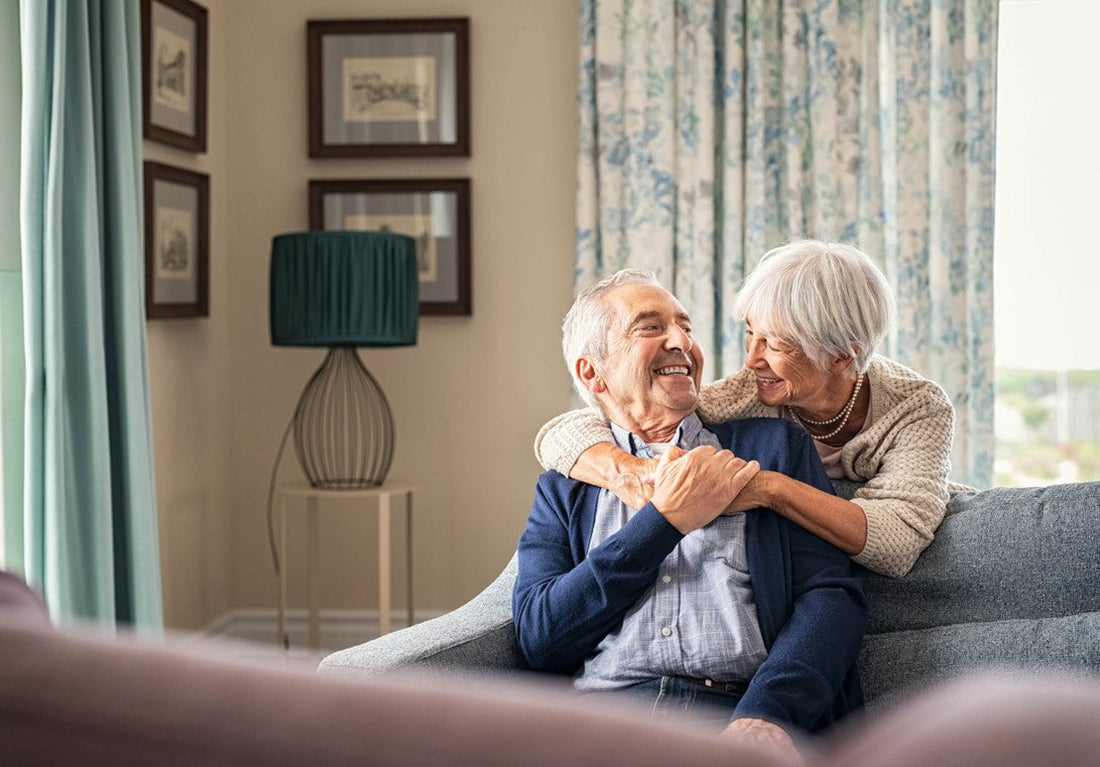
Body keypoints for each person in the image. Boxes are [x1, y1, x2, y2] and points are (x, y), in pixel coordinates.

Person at [513, 269, 866, 760]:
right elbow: (540, 637)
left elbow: (831, 598)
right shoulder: (565, 485)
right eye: (650, 327)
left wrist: (768, 714)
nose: (681, 341)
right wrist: (664, 522)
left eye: (686, 327)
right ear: (593, 373)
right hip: (606, 725)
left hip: (736, 713)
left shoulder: (772, 449)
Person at [534, 240, 955, 578]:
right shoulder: (746, 393)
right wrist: (629, 471)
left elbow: (897, 543)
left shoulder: (917, 408)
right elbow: (568, 430)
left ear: (841, 357)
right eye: (751, 335)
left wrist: (769, 489)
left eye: (774, 344)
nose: (752, 360)